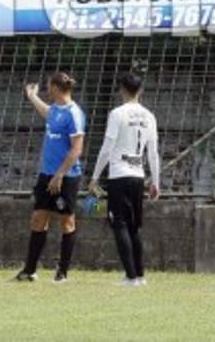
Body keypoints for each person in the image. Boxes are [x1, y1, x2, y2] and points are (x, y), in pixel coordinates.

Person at [13, 71, 86, 283]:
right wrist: (32, 96)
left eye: (48, 86)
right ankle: (29, 270)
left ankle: (62, 273)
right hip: (46, 175)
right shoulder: (55, 110)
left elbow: (76, 149)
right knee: (38, 219)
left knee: (66, 222)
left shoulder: (74, 113)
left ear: (55, 87)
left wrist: (60, 174)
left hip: (67, 176)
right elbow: (47, 112)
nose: (46, 89)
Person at [89, 73, 160, 286]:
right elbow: (153, 152)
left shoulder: (117, 114)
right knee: (133, 227)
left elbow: (107, 147)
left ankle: (130, 276)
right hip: (138, 176)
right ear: (141, 91)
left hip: (119, 174)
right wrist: (155, 181)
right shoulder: (149, 116)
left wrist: (94, 177)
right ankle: (139, 275)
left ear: (122, 90)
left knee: (119, 224)